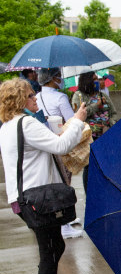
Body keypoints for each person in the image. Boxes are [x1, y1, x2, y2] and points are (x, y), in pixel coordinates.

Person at [0, 78, 88, 274]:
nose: (35, 98)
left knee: (54, 246)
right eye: (30, 95)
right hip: (36, 200)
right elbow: (61, 145)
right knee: (49, 251)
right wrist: (78, 120)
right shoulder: (26, 124)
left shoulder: (9, 125)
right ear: (19, 100)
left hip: (24, 199)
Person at [36, 67, 82, 239]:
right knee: (64, 182)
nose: (60, 79)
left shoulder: (36, 96)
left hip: (43, 143)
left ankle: (62, 220)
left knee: (53, 182)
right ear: (52, 79)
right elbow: (72, 120)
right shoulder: (60, 97)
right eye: (58, 76)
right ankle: (65, 224)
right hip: (60, 141)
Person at [71, 71, 116, 194]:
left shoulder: (102, 95)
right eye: (94, 79)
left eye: (98, 79)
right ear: (87, 81)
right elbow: (80, 115)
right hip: (88, 137)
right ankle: (90, 195)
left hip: (104, 136)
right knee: (90, 167)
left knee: (104, 166)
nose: (98, 81)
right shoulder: (78, 96)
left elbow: (113, 112)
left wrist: (109, 124)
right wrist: (96, 105)